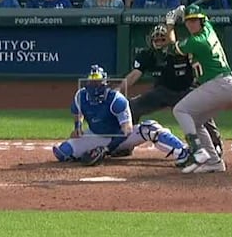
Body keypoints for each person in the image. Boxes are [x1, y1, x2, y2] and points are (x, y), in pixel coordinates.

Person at [51, 65, 190, 166]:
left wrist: (107, 148)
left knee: (150, 128)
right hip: (96, 135)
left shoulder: (116, 99)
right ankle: (111, 152)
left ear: (104, 84)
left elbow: (127, 129)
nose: (94, 85)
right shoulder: (80, 96)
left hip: (121, 137)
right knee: (62, 152)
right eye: (92, 82)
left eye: (97, 82)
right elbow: (77, 112)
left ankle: (183, 152)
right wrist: (78, 127)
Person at [120, 24, 223, 159]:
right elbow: (134, 75)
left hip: (186, 91)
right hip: (162, 92)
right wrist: (119, 90)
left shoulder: (182, 51)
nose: (159, 43)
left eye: (163, 39)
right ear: (150, 42)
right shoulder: (147, 55)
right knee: (132, 107)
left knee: (202, 113)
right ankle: (126, 145)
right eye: (156, 40)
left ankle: (215, 145)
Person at [165, 4, 232, 174]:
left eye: (195, 21)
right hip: (224, 85)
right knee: (196, 122)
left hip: (220, 84)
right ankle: (214, 161)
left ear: (202, 21)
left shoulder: (197, 42)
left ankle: (197, 151)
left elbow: (171, 48)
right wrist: (185, 11)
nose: (191, 24)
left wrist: (170, 24)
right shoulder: (209, 29)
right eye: (189, 21)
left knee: (180, 110)